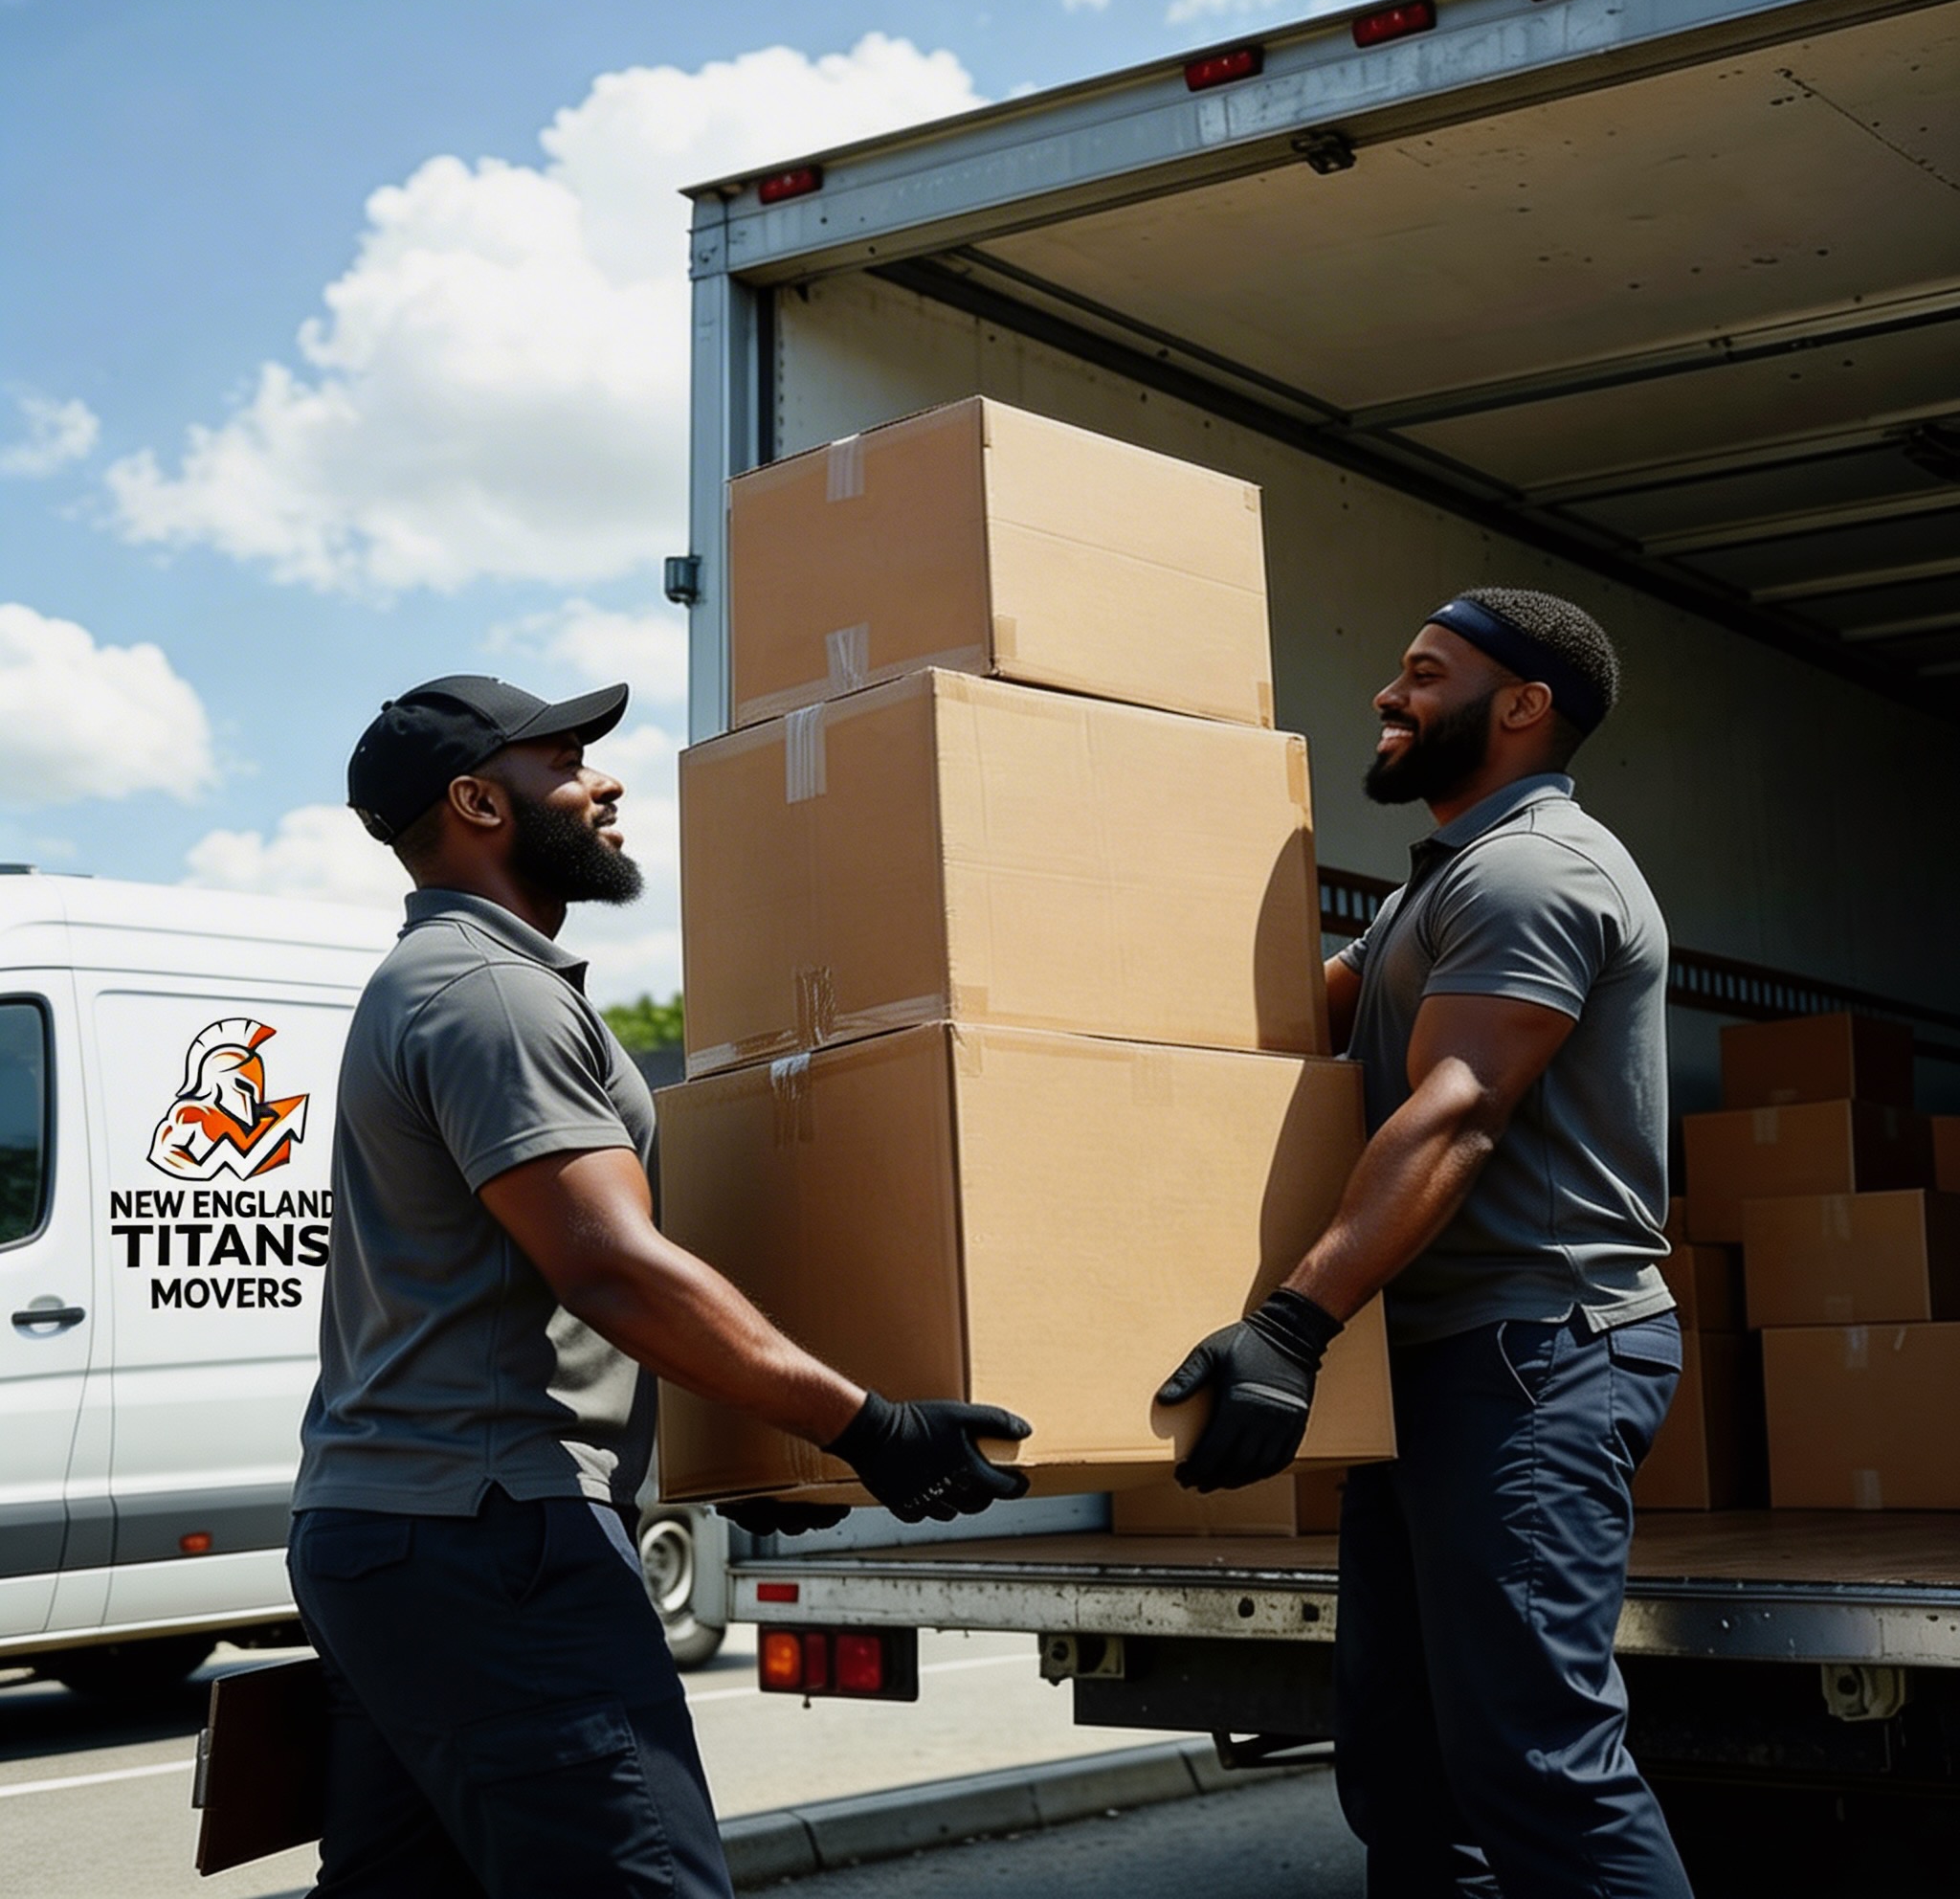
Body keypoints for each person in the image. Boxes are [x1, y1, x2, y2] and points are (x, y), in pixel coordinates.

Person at [290, 675, 1030, 1899]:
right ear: (478, 800)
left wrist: (740, 1456)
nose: (604, 777)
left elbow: (536, 1291)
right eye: (566, 759)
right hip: (488, 1538)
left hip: (406, 1532)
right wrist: (864, 1425)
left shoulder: (451, 978)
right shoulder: (489, 995)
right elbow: (607, 1265)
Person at [1159, 591, 1691, 1898]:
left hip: (1537, 1356)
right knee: (1404, 1771)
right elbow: (1290, 1015)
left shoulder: (1535, 873)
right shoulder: (1440, 888)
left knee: (1537, 1766)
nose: (1389, 697)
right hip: (1439, 1365)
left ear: (1522, 708)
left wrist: (1290, 1324)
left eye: (1424, 675)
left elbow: (1457, 1110)